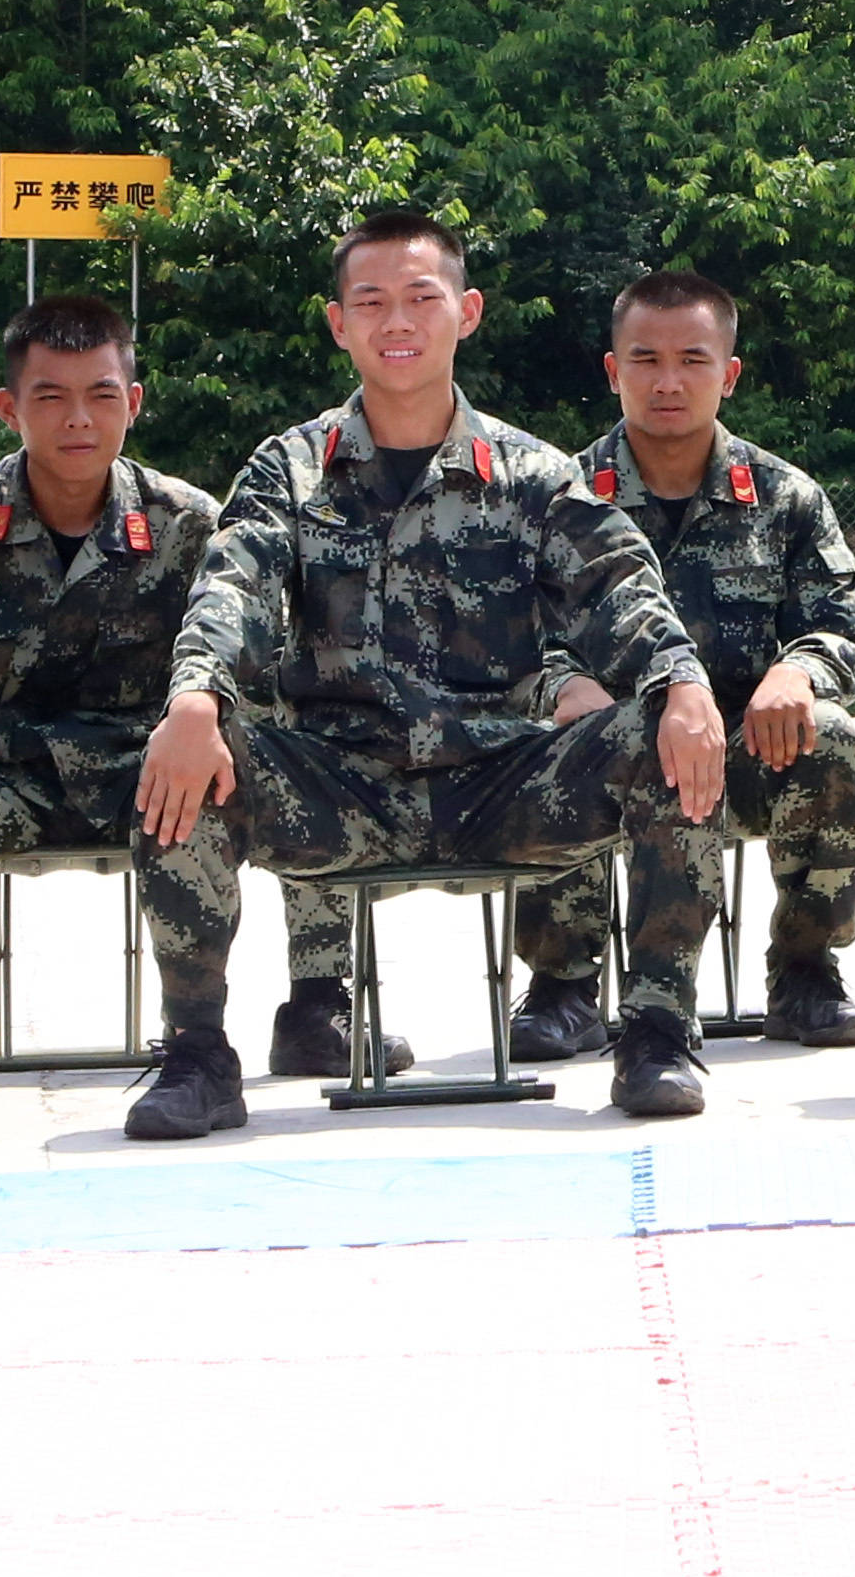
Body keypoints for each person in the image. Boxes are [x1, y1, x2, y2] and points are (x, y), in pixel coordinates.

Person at [135, 207, 725, 1115]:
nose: (398, 323)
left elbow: (617, 583)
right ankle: (198, 1061)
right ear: (339, 324)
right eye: (370, 302)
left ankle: (655, 1037)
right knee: (185, 755)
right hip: (339, 786)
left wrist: (678, 680)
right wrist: (196, 698)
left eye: (422, 298)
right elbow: (234, 585)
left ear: (468, 311)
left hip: (501, 781)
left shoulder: (528, 474)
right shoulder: (290, 468)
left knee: (666, 733)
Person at [0, 292, 350, 1144]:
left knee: (288, 742)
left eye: (101, 395)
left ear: (133, 404)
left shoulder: (188, 523)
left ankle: (312, 1006)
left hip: (147, 778)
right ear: (9, 408)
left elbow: (253, 663)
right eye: (50, 398)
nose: (76, 421)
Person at [499, 269, 855, 1110]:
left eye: (691, 359)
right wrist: (564, 690)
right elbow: (510, 646)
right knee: (552, 743)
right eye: (645, 359)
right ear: (612, 371)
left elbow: (847, 631)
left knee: (835, 740)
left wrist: (799, 671)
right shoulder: (558, 500)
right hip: (612, 753)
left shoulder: (784, 498)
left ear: (730, 373)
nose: (668, 381)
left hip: (749, 756)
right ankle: (563, 985)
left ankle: (805, 969)